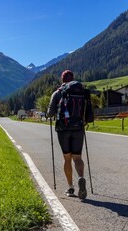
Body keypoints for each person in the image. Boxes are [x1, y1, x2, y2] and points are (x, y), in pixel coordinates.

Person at [47, 70, 87, 199]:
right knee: (77, 158)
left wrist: (50, 113)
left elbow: (50, 113)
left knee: (67, 158)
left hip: (63, 129)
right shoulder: (80, 92)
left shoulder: (58, 93)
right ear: (73, 79)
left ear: (62, 79)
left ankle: (71, 187)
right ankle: (81, 177)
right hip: (78, 128)